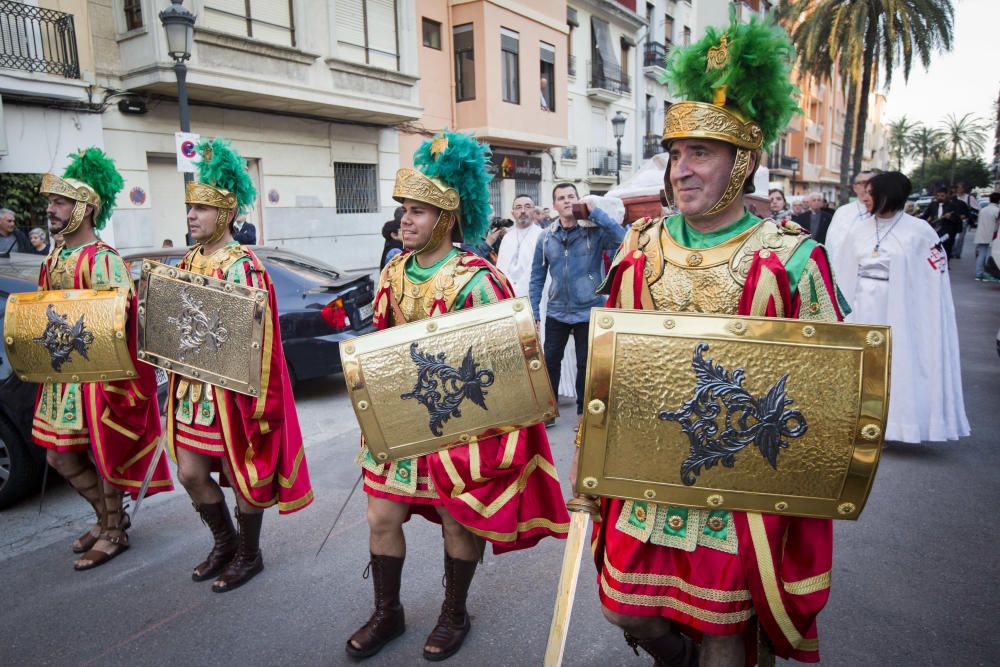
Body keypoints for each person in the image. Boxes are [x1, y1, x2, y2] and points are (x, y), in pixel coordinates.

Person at [590, 16, 847, 665]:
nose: (681, 168)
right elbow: (613, 366)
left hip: (737, 480)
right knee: (625, 606)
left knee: (726, 630)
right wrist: (590, 458)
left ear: (744, 162)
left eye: (699, 152)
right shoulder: (640, 245)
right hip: (647, 472)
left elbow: (826, 395)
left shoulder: (791, 259)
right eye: (676, 153)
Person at [348, 131, 569, 661]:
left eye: (419, 211)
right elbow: (380, 345)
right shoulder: (393, 271)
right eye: (404, 209)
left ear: (445, 218)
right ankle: (388, 612)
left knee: (457, 520)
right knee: (382, 517)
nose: (405, 220)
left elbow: (505, 368)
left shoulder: (478, 281)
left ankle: (454, 611)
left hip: (458, 430)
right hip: (402, 424)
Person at [166, 138, 314, 593]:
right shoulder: (187, 260)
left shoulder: (243, 267)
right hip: (191, 389)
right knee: (191, 472)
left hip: (231, 390)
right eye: (189, 209)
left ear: (225, 215)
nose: (191, 216)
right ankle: (225, 541)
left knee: (243, 476)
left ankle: (249, 554)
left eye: (200, 210)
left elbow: (257, 339)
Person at [34, 148, 172, 570]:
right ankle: (104, 516)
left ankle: (115, 530)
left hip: (99, 376)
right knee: (59, 455)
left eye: (60, 202)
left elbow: (119, 322)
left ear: (86, 209)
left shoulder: (103, 259)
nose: (51, 210)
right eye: (51, 203)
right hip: (63, 375)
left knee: (102, 450)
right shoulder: (55, 256)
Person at [831, 172, 970, 443]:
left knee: (897, 363)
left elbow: (933, 278)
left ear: (888, 195)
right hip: (862, 307)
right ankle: (856, 421)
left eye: (871, 193)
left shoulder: (919, 232)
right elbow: (843, 270)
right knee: (863, 366)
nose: (865, 198)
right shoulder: (858, 229)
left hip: (902, 311)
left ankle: (898, 423)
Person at [529, 183, 626, 418]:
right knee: (550, 361)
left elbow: (622, 239)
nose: (566, 200)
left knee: (585, 364)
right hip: (556, 311)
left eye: (571, 196)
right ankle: (549, 413)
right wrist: (535, 312)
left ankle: (585, 414)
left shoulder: (593, 231)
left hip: (589, 308)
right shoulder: (546, 237)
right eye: (561, 197)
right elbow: (537, 277)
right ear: (554, 205)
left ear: (579, 199)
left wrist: (596, 213)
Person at [495, 193, 543, 297]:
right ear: (513, 213)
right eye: (518, 207)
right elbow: (500, 269)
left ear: (534, 211)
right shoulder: (507, 238)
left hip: (533, 295)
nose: (522, 211)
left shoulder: (542, 236)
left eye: (527, 206)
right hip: (509, 295)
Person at [825, 170, 874, 263]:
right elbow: (832, 244)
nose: (868, 186)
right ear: (855, 187)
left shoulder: (882, 211)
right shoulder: (843, 212)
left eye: (871, 182)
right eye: (864, 183)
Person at [922, 186, 963, 258]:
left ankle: (945, 265)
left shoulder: (952, 206)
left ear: (947, 195)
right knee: (934, 250)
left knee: (946, 251)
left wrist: (950, 217)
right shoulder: (933, 205)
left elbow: (958, 220)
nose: (940, 198)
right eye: (938, 196)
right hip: (934, 231)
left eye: (942, 196)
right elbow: (925, 216)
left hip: (947, 232)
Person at [974, 192, 1000, 281]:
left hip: (981, 235)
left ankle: (978, 273)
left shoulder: (983, 210)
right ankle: (987, 274)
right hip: (991, 236)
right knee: (989, 255)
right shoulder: (997, 211)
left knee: (981, 255)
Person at [951, 181, 980, 259]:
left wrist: (966, 215)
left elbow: (977, 209)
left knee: (960, 238)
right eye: (957, 187)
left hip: (963, 221)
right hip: (953, 220)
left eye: (959, 187)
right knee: (953, 236)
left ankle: (957, 253)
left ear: (964, 189)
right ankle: (952, 252)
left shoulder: (969, 198)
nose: (958, 189)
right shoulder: (954, 197)